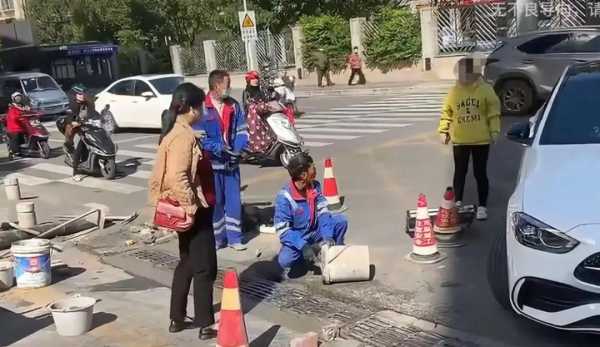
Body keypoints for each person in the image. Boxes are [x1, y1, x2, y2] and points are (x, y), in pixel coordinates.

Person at [148, 82, 218, 341]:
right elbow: (178, 176)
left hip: (183, 207)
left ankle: (176, 318)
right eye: (200, 106)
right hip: (192, 210)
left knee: (187, 262)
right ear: (191, 108)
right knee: (204, 267)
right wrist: (190, 207)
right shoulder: (182, 136)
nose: (203, 112)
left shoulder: (176, 131)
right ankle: (204, 324)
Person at [438, 57, 501, 221]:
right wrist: (443, 130)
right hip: (460, 140)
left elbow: (493, 113)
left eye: (466, 73)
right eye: (460, 73)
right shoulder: (454, 91)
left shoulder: (486, 90)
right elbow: (447, 113)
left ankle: (482, 206)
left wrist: (494, 131)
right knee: (460, 172)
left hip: (481, 140)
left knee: (480, 173)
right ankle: (458, 202)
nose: (463, 76)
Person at [195, 70, 249, 251]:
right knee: (216, 202)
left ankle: (235, 238)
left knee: (233, 201)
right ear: (216, 85)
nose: (230, 87)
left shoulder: (233, 106)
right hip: (212, 165)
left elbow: (242, 130)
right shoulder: (202, 107)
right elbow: (199, 137)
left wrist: (238, 148)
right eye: (227, 84)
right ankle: (219, 238)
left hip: (231, 163)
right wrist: (217, 147)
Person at [273, 152, 348, 278]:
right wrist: (302, 246)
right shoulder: (284, 197)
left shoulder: (315, 186)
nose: (315, 170)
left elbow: (323, 213)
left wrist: (327, 236)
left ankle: (334, 254)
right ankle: (304, 258)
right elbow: (283, 230)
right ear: (303, 175)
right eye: (312, 167)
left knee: (341, 221)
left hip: (316, 230)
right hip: (299, 236)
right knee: (285, 260)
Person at [64, 84, 95, 182]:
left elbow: (93, 113)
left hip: (87, 127)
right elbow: (69, 117)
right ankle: (75, 173)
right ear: (75, 95)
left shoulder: (88, 103)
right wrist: (73, 122)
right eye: (79, 94)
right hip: (75, 129)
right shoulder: (72, 105)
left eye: (83, 94)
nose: (82, 96)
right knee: (78, 148)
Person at [6, 92, 30, 160]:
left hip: (23, 125)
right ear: (13, 99)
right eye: (16, 97)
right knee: (16, 138)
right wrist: (20, 117)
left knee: (27, 135)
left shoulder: (23, 105)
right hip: (14, 127)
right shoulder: (12, 106)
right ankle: (14, 152)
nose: (18, 98)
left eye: (19, 97)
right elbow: (13, 116)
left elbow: (30, 112)